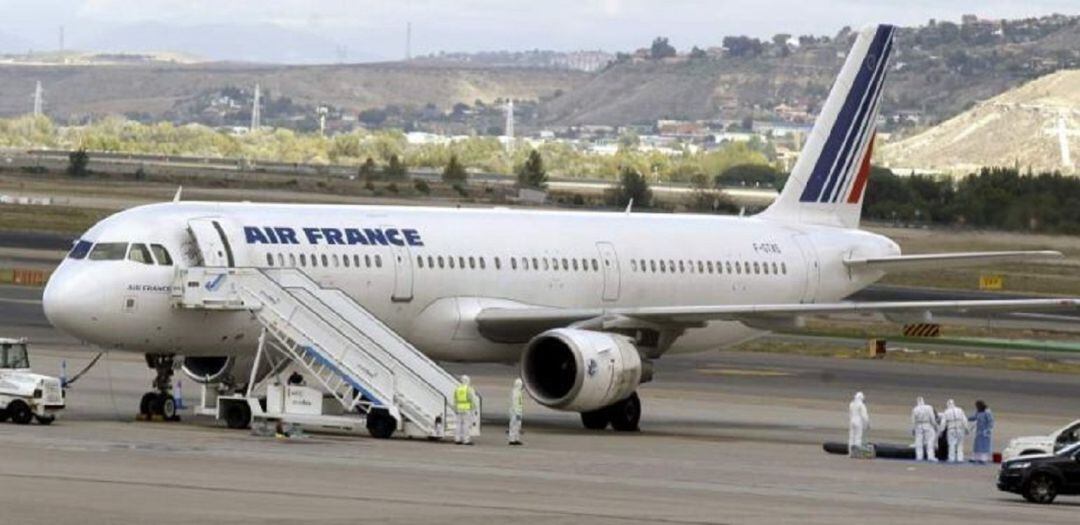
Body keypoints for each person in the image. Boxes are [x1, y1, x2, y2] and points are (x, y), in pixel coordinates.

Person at [911, 397, 938, 462]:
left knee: (919, 443)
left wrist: (913, 429)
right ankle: (930, 456)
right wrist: (935, 426)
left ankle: (919, 457)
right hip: (927, 425)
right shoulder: (929, 408)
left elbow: (913, 420)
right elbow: (932, 418)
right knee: (930, 442)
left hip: (919, 426)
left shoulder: (915, 409)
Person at [454, 375, 477, 445]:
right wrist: (474, 408)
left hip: (458, 408)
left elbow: (455, 399)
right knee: (466, 425)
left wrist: (455, 408)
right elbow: (472, 399)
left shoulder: (457, 389)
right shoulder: (468, 389)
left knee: (458, 424)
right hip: (466, 409)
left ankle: (457, 439)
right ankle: (466, 440)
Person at [848, 392, 870, 457]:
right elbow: (864, 416)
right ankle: (856, 453)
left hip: (852, 421)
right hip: (858, 422)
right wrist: (867, 424)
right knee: (858, 437)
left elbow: (850, 413)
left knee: (851, 437)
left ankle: (850, 452)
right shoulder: (861, 405)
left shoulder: (851, 404)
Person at [508, 377, 525, 445]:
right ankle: (512, 440)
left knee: (518, 426)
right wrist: (517, 413)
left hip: (519, 412)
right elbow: (515, 404)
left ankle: (516, 439)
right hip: (515, 412)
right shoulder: (515, 393)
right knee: (513, 425)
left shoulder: (518, 392)